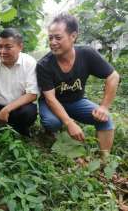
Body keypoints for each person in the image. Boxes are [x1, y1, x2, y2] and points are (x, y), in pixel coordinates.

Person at [36, 13, 120, 159]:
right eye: (50, 38)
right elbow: (50, 99)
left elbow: (113, 76)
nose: (53, 42)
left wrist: (104, 107)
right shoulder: (44, 65)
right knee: (53, 123)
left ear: (73, 36)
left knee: (105, 119)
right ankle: (52, 135)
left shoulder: (87, 54)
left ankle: (105, 160)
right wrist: (69, 123)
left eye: (58, 37)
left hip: (76, 101)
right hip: (51, 103)